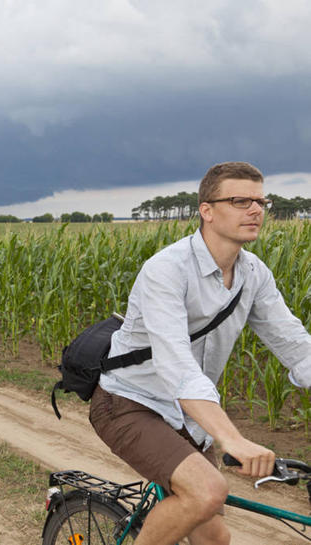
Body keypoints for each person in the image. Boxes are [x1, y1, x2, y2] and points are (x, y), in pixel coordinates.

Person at [89, 161, 311, 545]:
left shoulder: (253, 274)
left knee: (214, 539)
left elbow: (294, 343)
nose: (255, 210)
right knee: (207, 491)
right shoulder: (166, 270)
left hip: (189, 416)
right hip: (129, 402)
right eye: (240, 200)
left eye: (261, 201)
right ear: (206, 210)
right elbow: (177, 366)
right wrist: (233, 439)